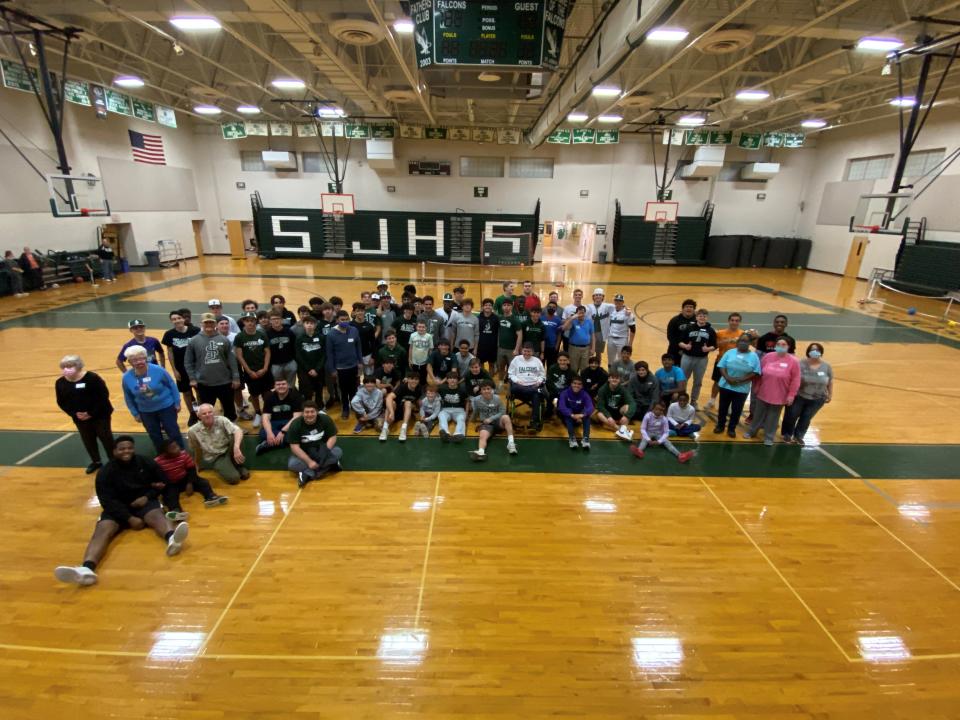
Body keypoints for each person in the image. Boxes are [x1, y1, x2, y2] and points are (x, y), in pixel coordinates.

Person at [53, 436, 189, 586]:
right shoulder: (105, 472)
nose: (127, 451)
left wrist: (147, 496)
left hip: (144, 502)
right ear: (114, 451)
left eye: (129, 448)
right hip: (117, 508)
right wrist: (129, 517)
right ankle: (86, 569)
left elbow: (163, 482)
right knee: (102, 530)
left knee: (157, 515)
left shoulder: (145, 462)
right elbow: (106, 501)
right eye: (122, 449)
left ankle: (172, 539)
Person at [55, 354, 114, 474]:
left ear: (78, 366)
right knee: (88, 439)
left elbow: (103, 396)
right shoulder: (60, 382)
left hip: (100, 415)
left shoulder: (92, 378)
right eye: (64, 367)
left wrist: (91, 413)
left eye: (70, 366)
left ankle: (114, 462)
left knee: (106, 438)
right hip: (79, 418)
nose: (67, 369)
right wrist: (74, 414)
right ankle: (96, 461)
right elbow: (61, 401)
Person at [122, 345, 183, 451]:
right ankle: (162, 456)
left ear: (146, 358)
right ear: (130, 362)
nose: (139, 362)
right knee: (154, 435)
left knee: (173, 432)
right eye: (135, 360)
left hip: (166, 407)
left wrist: (177, 402)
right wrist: (135, 413)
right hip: (145, 411)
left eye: (141, 358)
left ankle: (181, 454)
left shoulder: (158, 370)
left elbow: (172, 385)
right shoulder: (126, 377)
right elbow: (128, 396)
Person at [154, 437, 228, 521]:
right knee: (170, 495)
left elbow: (192, 470)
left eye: (177, 446)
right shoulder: (158, 461)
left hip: (185, 479)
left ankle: (211, 497)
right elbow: (157, 476)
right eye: (173, 448)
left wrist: (190, 483)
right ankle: (176, 511)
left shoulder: (183, 455)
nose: (178, 449)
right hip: (171, 483)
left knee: (203, 482)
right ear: (165, 453)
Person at [745, 338, 801, 446]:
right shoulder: (768, 357)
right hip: (764, 392)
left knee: (773, 417)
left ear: (788, 346)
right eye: (778, 344)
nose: (780, 346)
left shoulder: (793, 361)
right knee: (758, 414)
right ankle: (751, 431)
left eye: (783, 344)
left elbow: (796, 380)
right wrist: (756, 386)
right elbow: (759, 373)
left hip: (779, 395)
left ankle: (769, 437)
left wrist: (791, 395)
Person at [185, 313, 240, 421]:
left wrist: (236, 378)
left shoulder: (223, 339)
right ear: (202, 324)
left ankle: (232, 430)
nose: (209, 324)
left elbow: (232, 360)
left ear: (215, 324)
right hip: (205, 383)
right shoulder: (194, 341)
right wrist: (192, 378)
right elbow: (188, 361)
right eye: (206, 322)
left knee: (229, 410)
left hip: (224, 382)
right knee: (206, 412)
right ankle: (208, 431)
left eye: (211, 322)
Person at [780, 343, 833, 445]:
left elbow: (830, 381)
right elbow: (793, 378)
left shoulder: (826, 366)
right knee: (791, 415)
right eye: (812, 350)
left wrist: (830, 394)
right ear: (808, 352)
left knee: (806, 418)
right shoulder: (800, 364)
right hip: (799, 395)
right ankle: (787, 434)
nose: (815, 352)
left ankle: (799, 436)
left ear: (821, 352)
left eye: (817, 350)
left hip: (817, 398)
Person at [713, 333, 761, 438]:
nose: (743, 343)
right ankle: (720, 426)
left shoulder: (754, 356)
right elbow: (721, 366)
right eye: (741, 340)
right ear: (738, 342)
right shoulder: (730, 352)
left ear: (749, 343)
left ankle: (731, 429)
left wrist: (741, 379)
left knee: (737, 409)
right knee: (723, 408)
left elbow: (756, 372)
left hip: (741, 389)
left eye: (746, 341)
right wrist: (727, 377)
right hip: (726, 385)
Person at [188, 404, 249, 484]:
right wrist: (197, 464)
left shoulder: (222, 420)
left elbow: (238, 431)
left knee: (236, 436)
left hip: (228, 449)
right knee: (234, 479)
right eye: (204, 413)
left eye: (210, 412)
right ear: (199, 416)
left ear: (213, 413)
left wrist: (236, 447)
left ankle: (238, 465)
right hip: (216, 457)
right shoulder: (193, 431)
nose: (207, 415)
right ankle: (231, 465)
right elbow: (197, 449)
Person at [287, 400, 342, 487]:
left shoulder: (325, 419)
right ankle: (329, 466)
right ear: (302, 413)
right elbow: (294, 447)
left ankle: (307, 474)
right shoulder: (295, 424)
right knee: (292, 464)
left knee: (337, 451)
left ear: (317, 412)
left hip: (322, 449)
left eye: (312, 412)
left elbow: (333, 437)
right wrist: (309, 462)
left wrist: (324, 452)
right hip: (305, 453)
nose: (309, 415)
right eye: (307, 412)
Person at [162, 310, 201, 425]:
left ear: (183, 319)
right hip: (181, 369)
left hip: (195, 368)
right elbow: (170, 352)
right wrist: (174, 370)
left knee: (199, 391)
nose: (177, 321)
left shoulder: (195, 331)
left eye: (178, 318)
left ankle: (200, 412)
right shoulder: (169, 334)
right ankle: (192, 414)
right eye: (174, 319)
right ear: (171, 321)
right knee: (186, 392)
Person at [233, 312, 272, 426]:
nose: (250, 322)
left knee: (267, 394)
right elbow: (239, 356)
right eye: (247, 320)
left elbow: (267, 352)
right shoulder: (240, 337)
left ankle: (267, 412)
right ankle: (258, 413)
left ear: (256, 321)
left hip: (264, 371)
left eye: (252, 320)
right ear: (244, 322)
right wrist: (249, 371)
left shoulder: (261, 334)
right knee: (254, 394)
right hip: (251, 372)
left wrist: (265, 368)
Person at [326, 310, 364, 420]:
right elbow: (330, 353)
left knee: (354, 389)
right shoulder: (331, 334)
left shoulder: (354, 330)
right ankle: (345, 408)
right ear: (337, 320)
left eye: (347, 319)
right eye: (342, 320)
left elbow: (358, 347)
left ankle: (354, 406)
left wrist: (360, 361)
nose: (345, 322)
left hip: (353, 366)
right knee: (343, 390)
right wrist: (332, 369)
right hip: (340, 368)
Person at [468, 380, 517, 461]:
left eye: (488, 389)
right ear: (481, 390)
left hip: (498, 422)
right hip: (486, 424)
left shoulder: (497, 398)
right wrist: (471, 420)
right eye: (484, 389)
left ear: (492, 390)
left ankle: (511, 443)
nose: (486, 391)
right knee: (482, 436)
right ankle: (481, 452)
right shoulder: (476, 400)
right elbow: (476, 411)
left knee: (506, 417)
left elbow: (502, 411)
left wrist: (491, 418)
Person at [630, 403, 695, 463]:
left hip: (659, 433)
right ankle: (639, 451)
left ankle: (680, 455)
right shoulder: (647, 416)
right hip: (648, 432)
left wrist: (659, 441)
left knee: (667, 442)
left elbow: (666, 432)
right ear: (653, 409)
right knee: (644, 440)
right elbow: (643, 429)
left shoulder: (664, 419)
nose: (658, 411)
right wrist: (648, 439)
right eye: (656, 409)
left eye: (661, 410)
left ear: (663, 411)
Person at [678, 308, 717, 407]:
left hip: (702, 359)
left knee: (698, 381)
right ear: (696, 317)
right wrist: (685, 346)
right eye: (700, 316)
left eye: (704, 316)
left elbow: (715, 345)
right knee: (683, 379)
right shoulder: (689, 327)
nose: (702, 318)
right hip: (687, 357)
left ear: (707, 318)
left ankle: (694, 400)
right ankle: (682, 398)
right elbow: (680, 342)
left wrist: (708, 349)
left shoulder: (711, 330)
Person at [254, 378, 303, 455]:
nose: (281, 386)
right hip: (275, 423)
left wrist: (283, 432)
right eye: (278, 384)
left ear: (288, 385)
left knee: (299, 432)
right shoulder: (269, 396)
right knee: (263, 433)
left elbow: (297, 417)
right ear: (274, 386)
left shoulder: (295, 395)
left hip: (290, 423)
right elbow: (265, 417)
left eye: (283, 384)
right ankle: (285, 441)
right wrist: (269, 433)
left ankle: (269, 444)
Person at [705, 312, 743, 411]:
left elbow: (745, 348)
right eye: (732, 320)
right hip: (721, 361)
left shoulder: (742, 334)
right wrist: (727, 341)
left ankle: (729, 405)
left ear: (739, 322)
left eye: (737, 321)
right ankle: (712, 400)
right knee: (717, 382)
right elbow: (715, 345)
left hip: (735, 364)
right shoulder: (720, 333)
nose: (734, 322)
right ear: (729, 321)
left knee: (731, 383)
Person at [507, 342, 546, 432]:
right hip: (519, 388)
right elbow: (510, 374)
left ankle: (534, 421)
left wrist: (539, 381)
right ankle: (533, 390)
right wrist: (517, 381)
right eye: (525, 351)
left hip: (533, 386)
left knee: (536, 397)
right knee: (517, 388)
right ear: (521, 350)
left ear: (533, 352)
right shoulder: (516, 359)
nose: (527, 353)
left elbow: (543, 376)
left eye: (529, 351)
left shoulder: (537, 361)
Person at [595, 373, 636, 440]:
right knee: (599, 414)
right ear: (609, 379)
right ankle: (619, 429)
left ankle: (623, 428)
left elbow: (632, 403)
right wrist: (609, 417)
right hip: (607, 412)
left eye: (617, 378)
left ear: (619, 380)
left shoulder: (623, 389)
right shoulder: (602, 390)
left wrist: (627, 416)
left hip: (618, 411)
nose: (614, 379)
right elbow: (600, 406)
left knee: (627, 407)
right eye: (612, 378)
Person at [558, 375, 594, 450]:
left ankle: (586, 439)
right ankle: (572, 438)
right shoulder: (564, 393)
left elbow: (591, 407)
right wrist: (571, 415)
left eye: (579, 384)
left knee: (587, 415)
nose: (576, 385)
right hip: (568, 414)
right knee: (568, 414)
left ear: (582, 386)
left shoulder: (585, 394)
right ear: (571, 384)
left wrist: (582, 415)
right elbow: (561, 407)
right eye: (574, 383)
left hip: (579, 413)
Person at [295, 315, 325, 403]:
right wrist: (308, 369)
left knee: (319, 387)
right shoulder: (299, 338)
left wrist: (317, 368)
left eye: (312, 323)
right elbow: (298, 355)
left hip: (318, 368)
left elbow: (323, 354)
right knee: (307, 389)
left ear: (315, 325)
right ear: (303, 325)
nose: (309, 325)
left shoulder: (321, 337)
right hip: (305, 369)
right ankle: (308, 405)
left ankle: (319, 405)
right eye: (307, 323)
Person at [385, 371, 422, 442]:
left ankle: (403, 429)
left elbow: (418, 402)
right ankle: (385, 428)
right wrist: (392, 412)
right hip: (395, 411)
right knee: (391, 403)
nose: (414, 381)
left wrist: (418, 411)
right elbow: (389, 397)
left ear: (418, 380)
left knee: (408, 402)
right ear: (407, 379)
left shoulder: (419, 389)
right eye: (412, 379)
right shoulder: (402, 387)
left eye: (416, 379)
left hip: (406, 412)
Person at [437, 369, 470, 442]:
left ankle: (458, 434)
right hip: (446, 410)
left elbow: (467, 401)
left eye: (454, 378)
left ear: (457, 380)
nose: (452, 380)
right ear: (447, 380)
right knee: (441, 416)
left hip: (459, 410)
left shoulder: (462, 390)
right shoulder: (441, 388)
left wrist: (466, 414)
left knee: (461, 419)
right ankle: (445, 433)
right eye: (450, 378)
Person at [266, 310, 297, 387]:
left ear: (281, 320)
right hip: (275, 365)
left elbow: (294, 347)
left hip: (289, 362)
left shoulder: (289, 331)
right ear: (270, 321)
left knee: (291, 385)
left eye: (278, 318)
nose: (276, 320)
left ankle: (290, 397)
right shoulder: (267, 334)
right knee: (279, 385)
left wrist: (294, 361)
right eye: (273, 319)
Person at [606, 294, 636, 368]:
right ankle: (611, 375)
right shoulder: (611, 310)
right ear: (614, 301)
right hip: (611, 338)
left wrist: (630, 343)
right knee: (610, 359)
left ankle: (620, 376)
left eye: (620, 301)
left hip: (622, 339)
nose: (618, 302)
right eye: (616, 300)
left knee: (622, 359)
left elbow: (633, 329)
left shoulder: (628, 314)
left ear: (623, 302)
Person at [562, 305, 594, 373]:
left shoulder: (589, 322)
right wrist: (572, 318)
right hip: (574, 348)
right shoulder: (573, 321)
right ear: (576, 313)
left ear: (585, 313)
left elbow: (593, 336)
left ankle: (582, 383)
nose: (581, 314)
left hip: (586, 348)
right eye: (579, 313)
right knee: (573, 368)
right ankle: (573, 383)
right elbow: (564, 328)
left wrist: (593, 348)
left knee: (584, 368)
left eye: (583, 312)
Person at [496, 299, 523, 378]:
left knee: (512, 369)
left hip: (511, 350)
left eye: (508, 305)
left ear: (512, 306)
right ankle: (500, 383)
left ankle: (510, 385)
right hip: (501, 348)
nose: (506, 307)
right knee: (500, 367)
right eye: (504, 305)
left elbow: (520, 335)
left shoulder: (515, 320)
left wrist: (517, 349)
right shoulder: (500, 318)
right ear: (502, 307)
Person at [666, 299, 697, 365]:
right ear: (682, 309)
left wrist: (687, 351)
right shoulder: (675, 320)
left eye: (691, 307)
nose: (689, 309)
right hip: (674, 352)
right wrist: (679, 350)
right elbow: (670, 337)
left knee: (685, 374)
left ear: (694, 309)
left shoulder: (697, 321)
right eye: (687, 307)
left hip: (690, 353)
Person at [544, 352, 574, 420]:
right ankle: (549, 410)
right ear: (557, 360)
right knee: (549, 395)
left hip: (564, 392)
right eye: (560, 360)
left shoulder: (572, 372)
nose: (562, 362)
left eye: (565, 360)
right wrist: (556, 390)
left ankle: (561, 410)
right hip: (553, 390)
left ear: (568, 361)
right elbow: (549, 381)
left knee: (562, 414)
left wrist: (563, 391)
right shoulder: (552, 368)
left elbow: (572, 385)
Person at [476, 299, 499, 375]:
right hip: (481, 346)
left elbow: (498, 332)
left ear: (492, 307)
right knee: (481, 364)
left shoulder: (496, 318)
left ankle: (490, 381)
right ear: (482, 307)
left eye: (489, 305)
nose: (487, 307)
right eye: (486, 305)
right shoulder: (478, 318)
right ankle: (483, 380)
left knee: (491, 365)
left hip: (492, 347)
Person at [589, 288, 614, 358]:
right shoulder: (588, 307)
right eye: (596, 295)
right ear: (593, 297)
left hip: (601, 333)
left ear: (603, 297)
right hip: (590, 333)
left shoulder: (609, 306)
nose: (598, 296)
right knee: (589, 352)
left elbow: (620, 308)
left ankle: (598, 367)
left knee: (598, 353)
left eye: (600, 295)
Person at [408, 319, 434, 385]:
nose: (421, 328)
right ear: (416, 327)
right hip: (414, 362)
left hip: (424, 362)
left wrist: (429, 362)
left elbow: (430, 350)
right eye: (419, 327)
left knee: (423, 379)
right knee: (414, 378)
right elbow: (410, 348)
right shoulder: (412, 335)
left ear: (426, 328)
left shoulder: (429, 336)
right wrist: (410, 360)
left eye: (423, 327)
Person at [541, 301, 563, 369]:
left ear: (556, 309)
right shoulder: (541, 318)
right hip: (542, 347)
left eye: (553, 307)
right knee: (541, 366)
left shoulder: (558, 320)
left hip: (552, 347)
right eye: (550, 307)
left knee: (551, 366)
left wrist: (557, 346)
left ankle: (549, 379)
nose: (551, 308)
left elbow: (559, 334)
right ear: (547, 307)